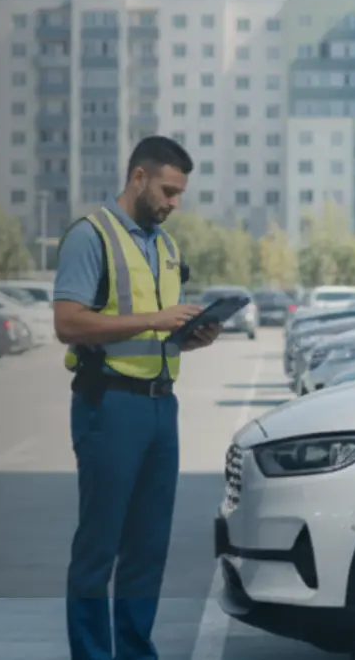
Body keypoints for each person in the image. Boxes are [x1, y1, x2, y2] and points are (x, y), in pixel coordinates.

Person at [51, 135, 221, 660]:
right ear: (138, 177)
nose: (174, 203)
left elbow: (156, 330)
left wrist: (189, 336)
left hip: (159, 407)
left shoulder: (166, 247)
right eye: (168, 191)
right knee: (99, 548)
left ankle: (134, 650)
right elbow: (67, 322)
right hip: (110, 407)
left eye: (180, 194)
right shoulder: (91, 235)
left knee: (148, 549)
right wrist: (154, 320)